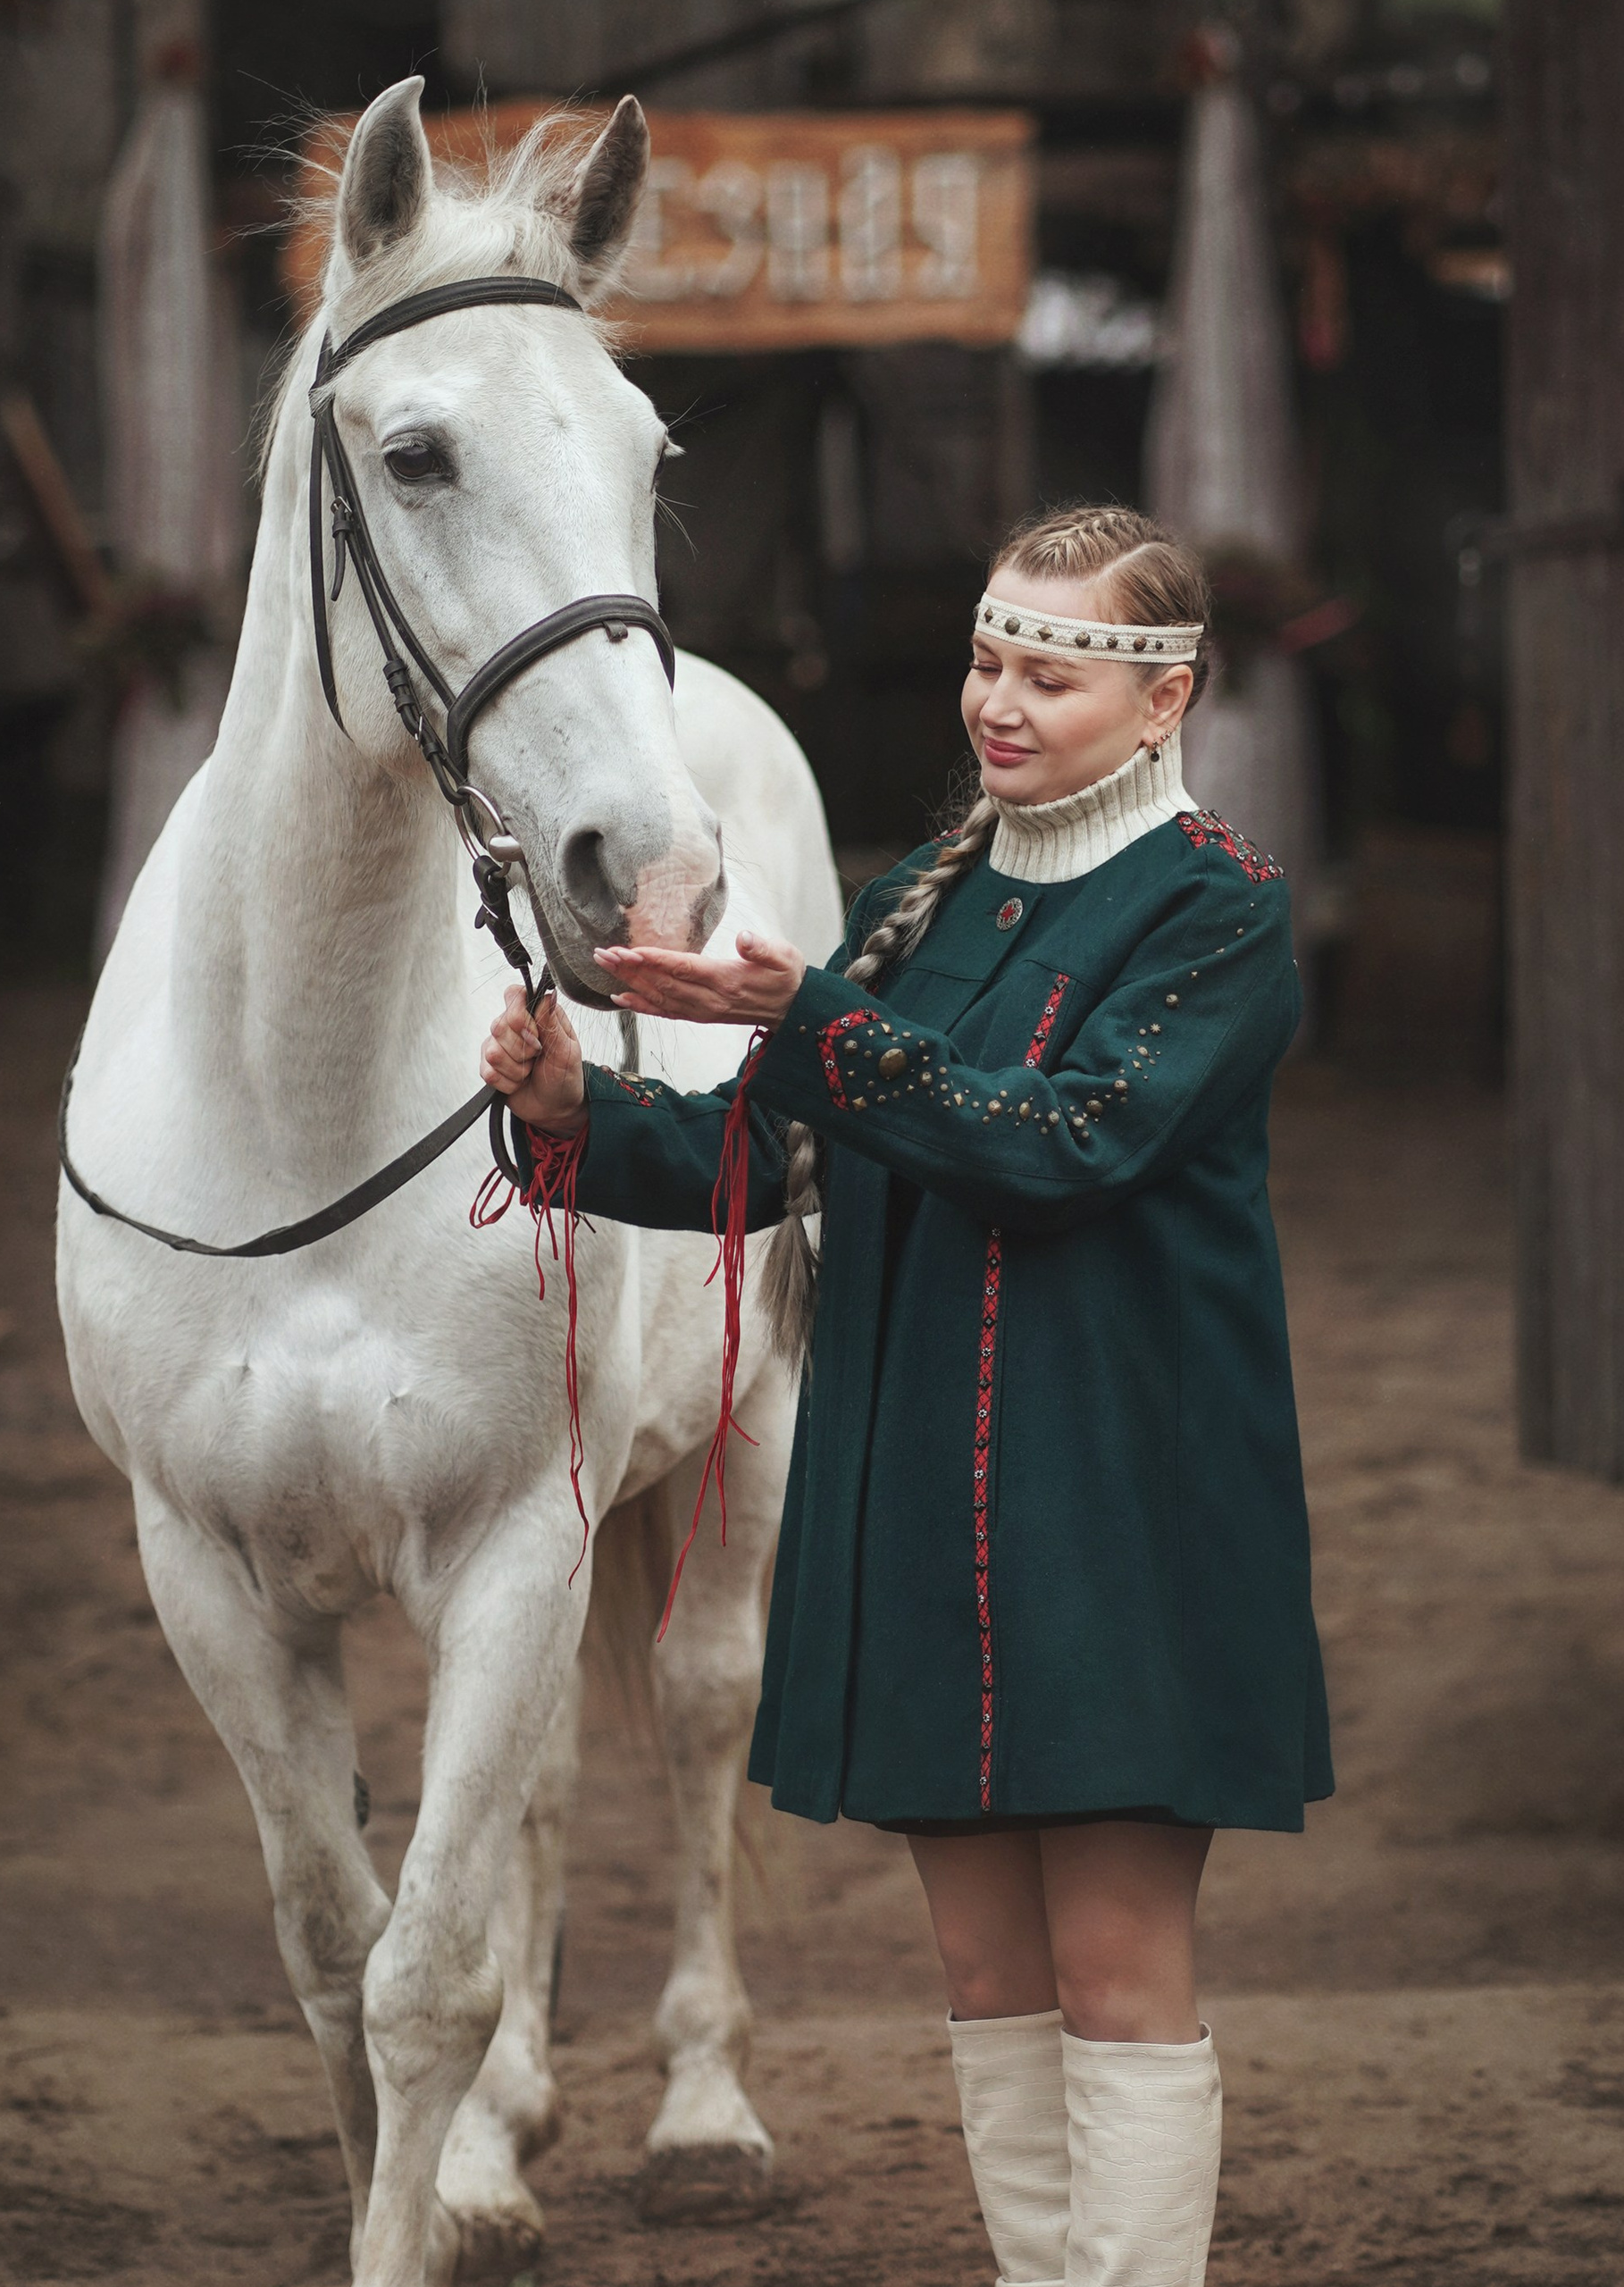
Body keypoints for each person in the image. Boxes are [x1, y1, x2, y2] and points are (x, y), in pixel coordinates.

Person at [481, 503, 1331, 2287]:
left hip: (1114, 1501)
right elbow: (771, 1145)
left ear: (1163, 694)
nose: (996, 702)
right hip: (919, 1499)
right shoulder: (924, 895)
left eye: (1048, 670)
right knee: (984, 1978)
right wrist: (572, 1120)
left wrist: (823, 1023)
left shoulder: (1217, 908)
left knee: (1112, 1975)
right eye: (984, 658)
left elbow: (1069, 1140)